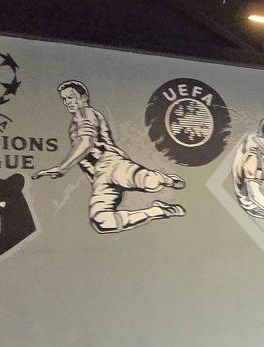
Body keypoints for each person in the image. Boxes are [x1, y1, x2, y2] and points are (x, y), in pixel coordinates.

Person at [35, 81, 186, 233]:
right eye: (64, 99)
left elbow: (87, 142)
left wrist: (62, 168)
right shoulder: (76, 122)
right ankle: (156, 211)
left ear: (84, 97)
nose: (67, 102)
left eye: (71, 97)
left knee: (151, 183)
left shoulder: (85, 113)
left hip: (111, 164)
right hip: (99, 177)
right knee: (102, 222)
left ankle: (167, 180)